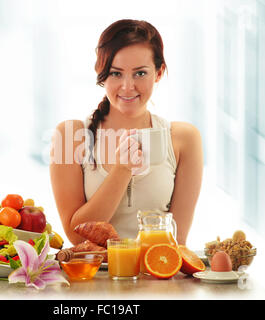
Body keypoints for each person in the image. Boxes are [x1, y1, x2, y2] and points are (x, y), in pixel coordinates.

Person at [49, 19, 203, 246]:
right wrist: (122, 170)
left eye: (140, 73)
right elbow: (77, 236)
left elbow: (176, 242)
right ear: (101, 73)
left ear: (158, 73)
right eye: (116, 73)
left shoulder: (183, 138)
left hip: (156, 277)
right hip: (92, 278)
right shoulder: (70, 135)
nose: (128, 86)